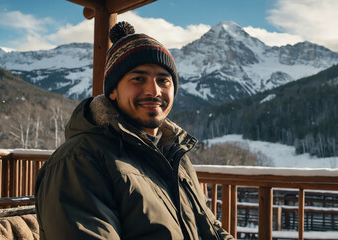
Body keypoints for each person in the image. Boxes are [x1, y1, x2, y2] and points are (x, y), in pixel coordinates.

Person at [35, 21, 234, 240]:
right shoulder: (78, 160)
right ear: (113, 92)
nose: (153, 90)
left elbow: (210, 228)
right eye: (138, 79)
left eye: (163, 80)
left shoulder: (174, 155)